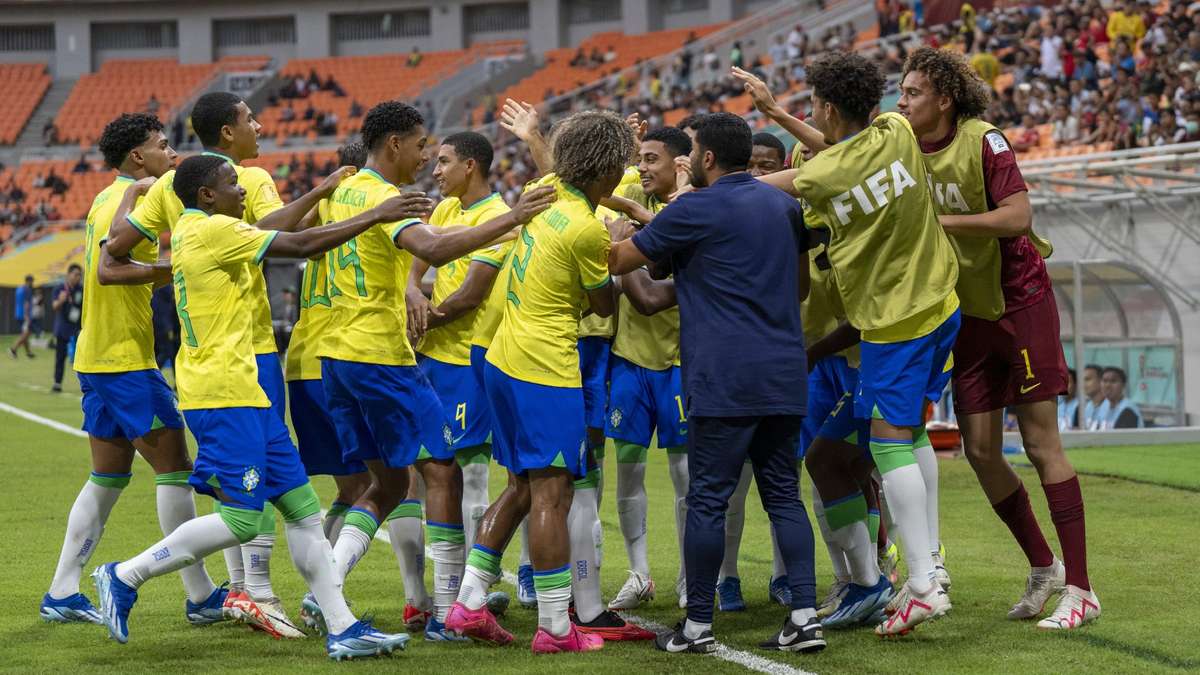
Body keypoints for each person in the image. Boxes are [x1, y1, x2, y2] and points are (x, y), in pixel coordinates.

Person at [92, 152, 430, 658]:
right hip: (222, 392)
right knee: (244, 521)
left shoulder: (196, 227)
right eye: (232, 183)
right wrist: (375, 215)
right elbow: (297, 243)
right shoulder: (212, 230)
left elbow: (288, 234)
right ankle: (124, 575)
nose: (242, 191)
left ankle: (343, 629)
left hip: (243, 387)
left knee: (303, 509)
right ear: (207, 194)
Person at [308, 101, 552, 642]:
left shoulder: (345, 189)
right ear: (395, 144)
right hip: (382, 356)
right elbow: (435, 252)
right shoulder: (385, 197)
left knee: (393, 482)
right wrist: (514, 215)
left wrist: (410, 287)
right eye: (422, 147)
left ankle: (326, 591)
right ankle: (447, 611)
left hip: (335, 356)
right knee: (443, 471)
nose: (427, 159)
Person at [746, 50, 960, 636]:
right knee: (888, 439)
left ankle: (920, 584)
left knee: (889, 444)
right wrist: (779, 114)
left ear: (830, 106)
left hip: (895, 324)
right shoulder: (894, 129)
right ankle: (919, 572)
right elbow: (841, 149)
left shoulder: (818, 177)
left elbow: (768, 188)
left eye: (815, 105)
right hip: (942, 305)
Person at [896, 46, 1098, 629]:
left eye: (912, 94)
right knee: (980, 450)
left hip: (1021, 303)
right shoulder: (904, 146)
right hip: (968, 312)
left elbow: (1017, 218)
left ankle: (1081, 589)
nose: (903, 102)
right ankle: (1044, 566)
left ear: (944, 99)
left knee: (1040, 445)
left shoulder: (985, 139)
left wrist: (941, 224)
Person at [608, 112, 824, 655]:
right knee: (784, 496)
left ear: (705, 158)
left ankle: (698, 623)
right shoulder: (783, 204)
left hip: (723, 374)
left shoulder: (696, 207)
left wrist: (617, 233)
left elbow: (623, 261)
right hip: (782, 369)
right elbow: (799, 287)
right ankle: (804, 614)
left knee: (706, 499)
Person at [106, 91, 313, 636]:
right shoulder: (251, 182)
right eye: (249, 119)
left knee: (237, 481)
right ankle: (257, 592)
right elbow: (286, 239)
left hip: (197, 356)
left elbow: (114, 252)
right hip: (249, 350)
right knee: (257, 481)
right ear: (227, 134)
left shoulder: (169, 190)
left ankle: (242, 591)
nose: (260, 126)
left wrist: (159, 242)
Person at [445, 110, 632, 654]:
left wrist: (533, 137)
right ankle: (554, 627)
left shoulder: (545, 191)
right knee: (554, 492)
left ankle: (469, 604)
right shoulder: (585, 228)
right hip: (543, 368)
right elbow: (602, 305)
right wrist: (613, 246)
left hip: (502, 358)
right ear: (608, 172)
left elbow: (558, 166)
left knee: (522, 487)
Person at [41, 113, 227, 627]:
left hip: (98, 356)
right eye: (164, 146)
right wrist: (180, 267)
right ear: (137, 158)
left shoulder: (107, 197)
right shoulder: (133, 199)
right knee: (176, 470)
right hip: (124, 359)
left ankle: (61, 590)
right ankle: (201, 594)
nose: (172, 154)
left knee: (107, 476)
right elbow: (112, 270)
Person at [594, 126, 694, 613]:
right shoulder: (633, 193)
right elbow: (599, 183)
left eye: (653, 159)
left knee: (685, 476)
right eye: (640, 160)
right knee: (628, 472)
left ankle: (690, 577)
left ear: (680, 164)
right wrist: (623, 148)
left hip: (679, 359)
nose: (643, 168)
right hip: (630, 359)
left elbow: (652, 296)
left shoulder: (698, 207)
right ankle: (639, 574)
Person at [51, 264, 84, 393]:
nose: (78, 277)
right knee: (60, 356)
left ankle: (85, 385)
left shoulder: (81, 289)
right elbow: (54, 307)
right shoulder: (60, 288)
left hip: (77, 327)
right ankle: (57, 383)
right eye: (76, 274)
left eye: (79, 275)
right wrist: (61, 300)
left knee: (81, 358)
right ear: (68, 274)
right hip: (63, 327)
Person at [9, 274, 35, 359]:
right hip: (25, 316)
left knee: (26, 334)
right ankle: (13, 349)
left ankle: (28, 353)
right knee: (26, 334)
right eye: (32, 281)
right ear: (29, 281)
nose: (33, 283)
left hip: (18, 314)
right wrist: (27, 317)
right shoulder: (27, 289)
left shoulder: (19, 289)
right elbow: (26, 304)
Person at [1081, 364, 1105, 430]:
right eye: (1082, 380)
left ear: (1101, 380)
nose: (1083, 383)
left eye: (1087, 379)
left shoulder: (1110, 405)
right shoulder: (1088, 406)